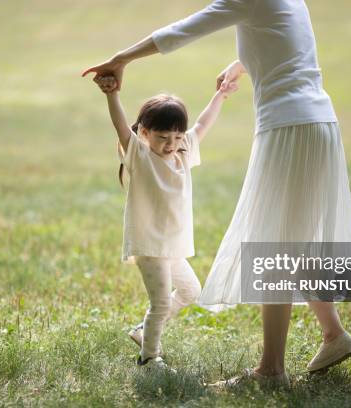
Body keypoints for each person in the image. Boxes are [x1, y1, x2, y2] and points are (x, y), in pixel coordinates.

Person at [84, 0, 351, 386]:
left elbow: (181, 31)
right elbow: (287, 41)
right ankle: (333, 334)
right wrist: (242, 64)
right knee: (296, 236)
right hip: (320, 122)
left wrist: (121, 58)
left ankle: (271, 371)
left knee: (276, 243)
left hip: (288, 126)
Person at [91, 74, 239, 370]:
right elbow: (121, 127)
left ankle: (143, 332)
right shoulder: (140, 157)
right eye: (163, 137)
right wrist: (112, 95)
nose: (171, 144)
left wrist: (220, 96)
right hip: (149, 246)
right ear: (145, 133)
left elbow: (202, 124)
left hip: (171, 246)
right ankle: (149, 358)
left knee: (191, 291)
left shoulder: (183, 152)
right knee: (159, 304)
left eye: (176, 137)